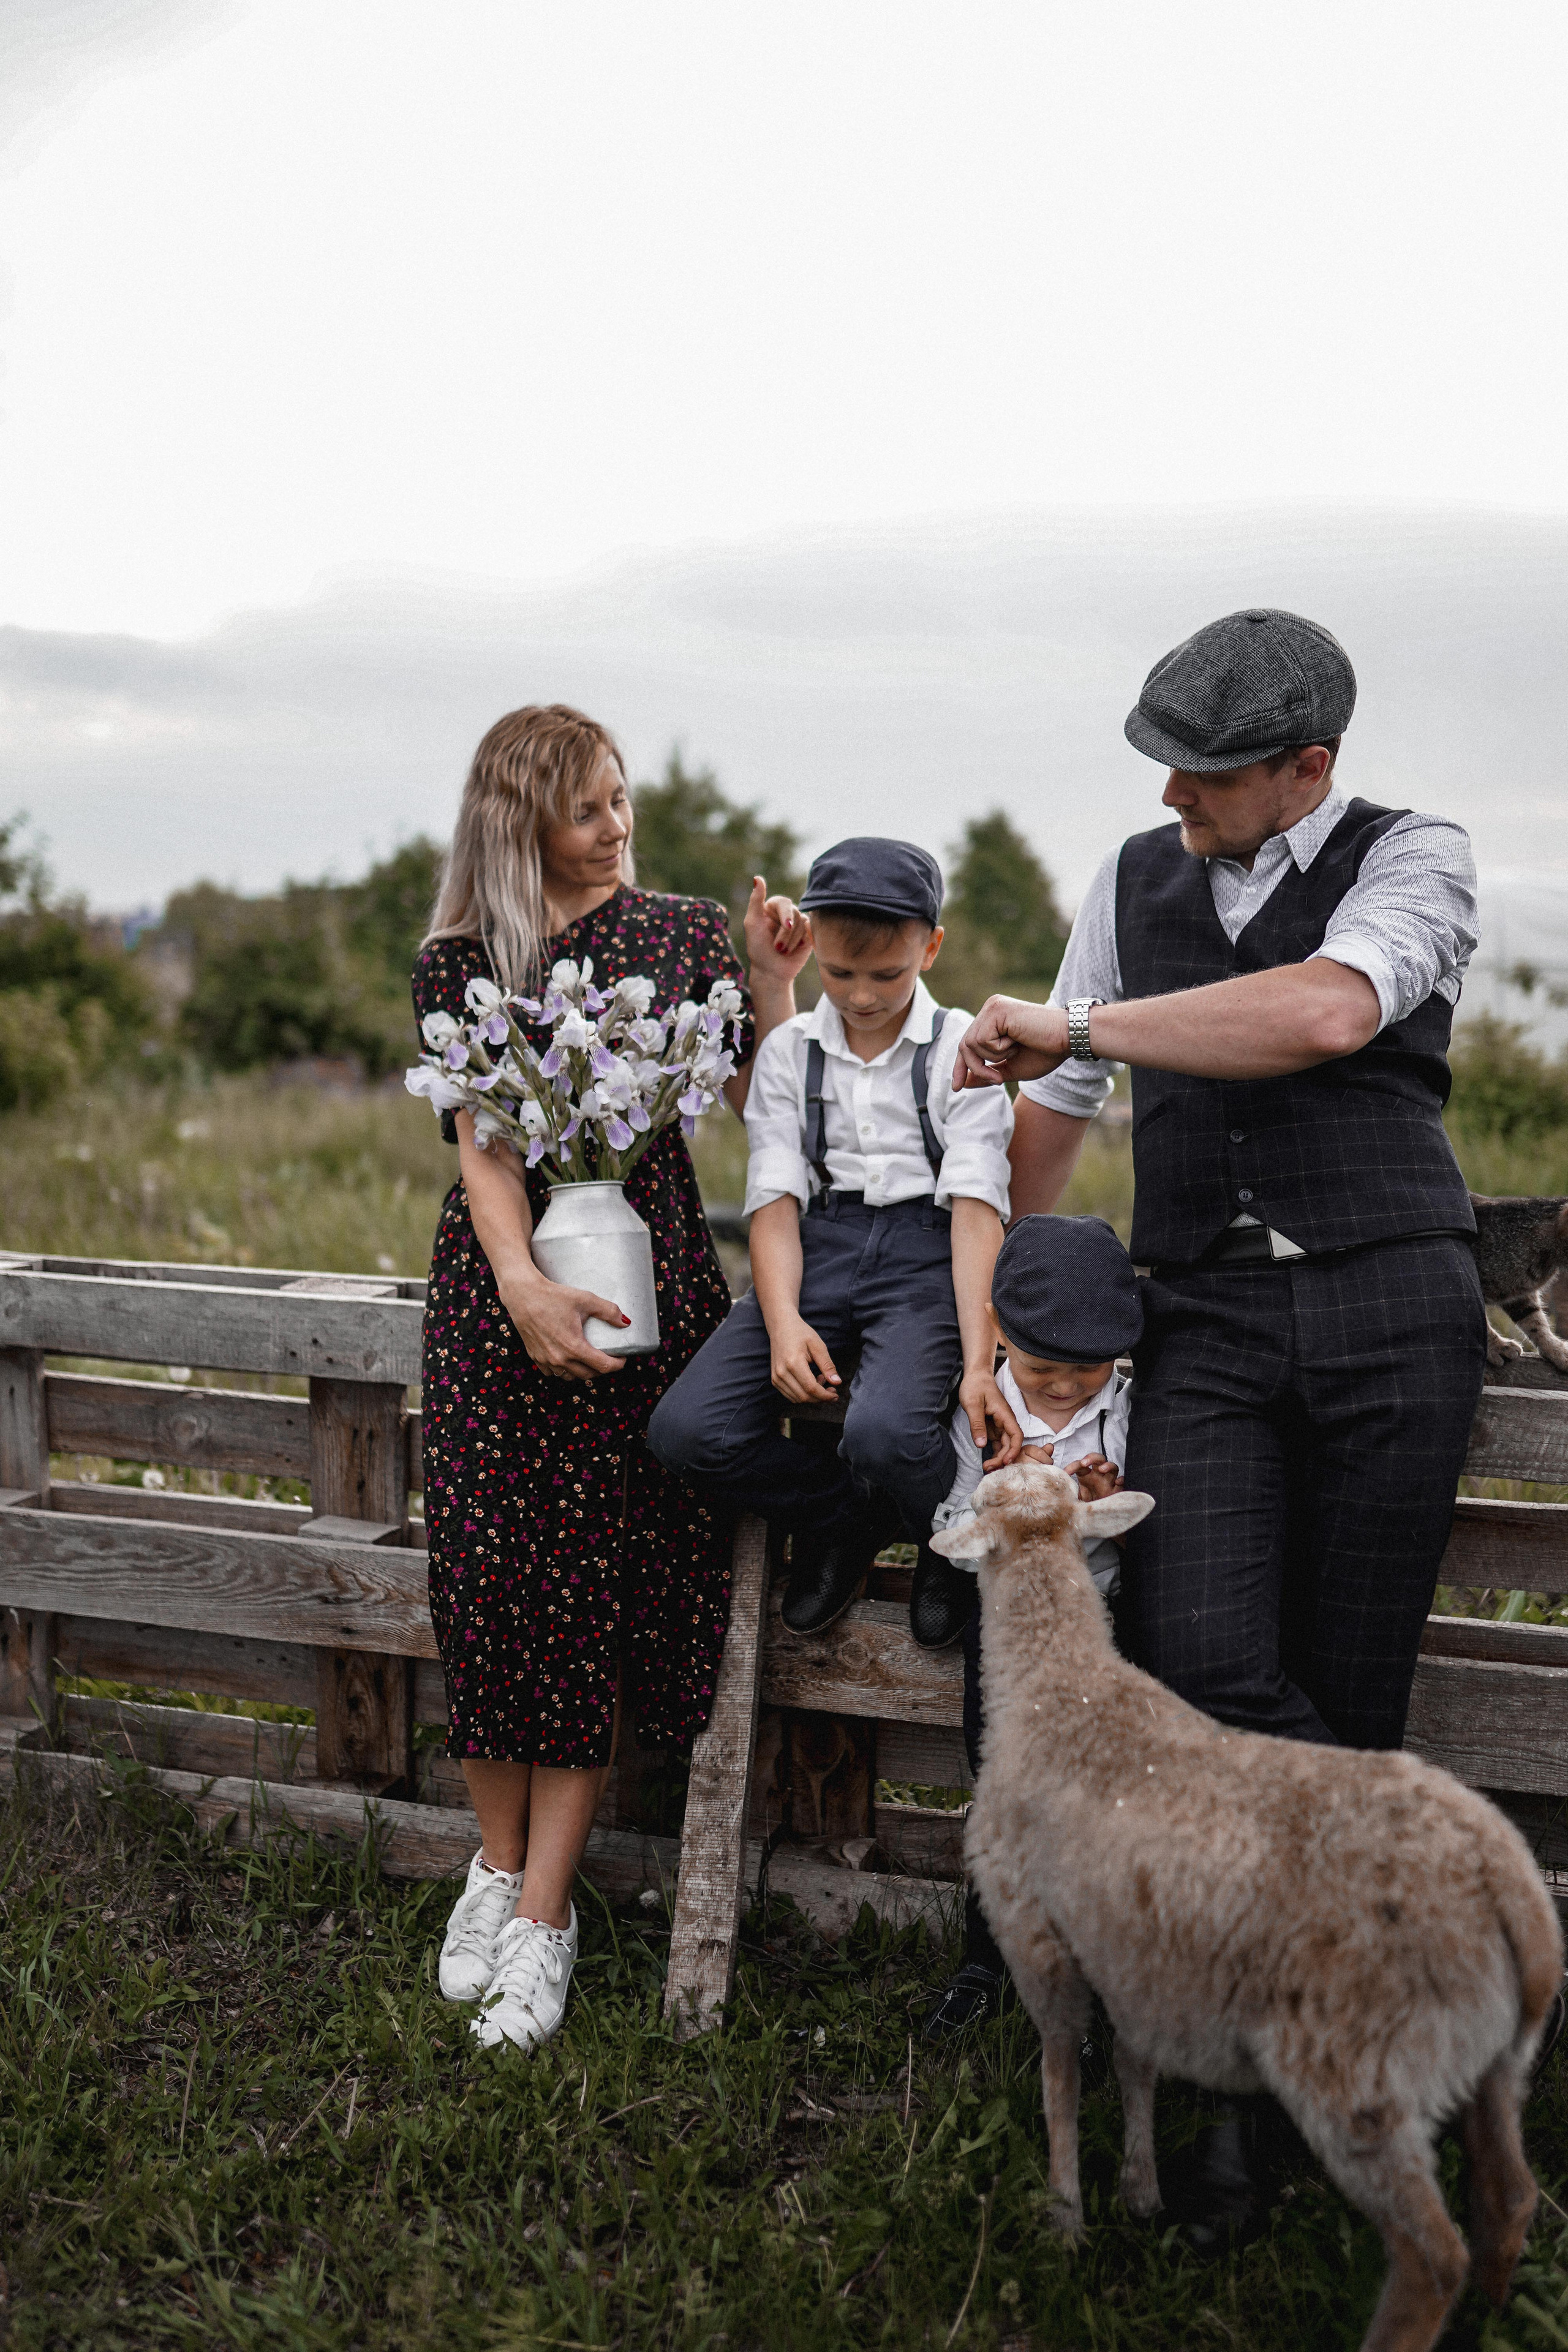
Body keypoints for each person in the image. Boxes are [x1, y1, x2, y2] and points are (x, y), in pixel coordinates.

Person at [953, 607, 1488, 2235]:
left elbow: (1327, 1015)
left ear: (1306, 769)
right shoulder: (1129, 885)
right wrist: (988, 1298)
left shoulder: (1420, 859)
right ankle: (1433, 1938)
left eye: (1203, 777)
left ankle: (1272, 2109)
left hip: (1396, 1307)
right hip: (1210, 1323)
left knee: (1349, 1677)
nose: (1173, 804)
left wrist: (1083, 1033)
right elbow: (1048, 1109)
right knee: (1200, 1651)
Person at [412, 703, 809, 2052]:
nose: (616, 826)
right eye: (588, 809)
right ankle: (489, 1864)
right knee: (480, 1580)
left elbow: (772, 1106)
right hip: (494, 1293)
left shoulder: (684, 932)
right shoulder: (458, 957)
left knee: (582, 1589)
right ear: (519, 819)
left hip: (640, 1286)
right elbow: (482, 1145)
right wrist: (519, 1284)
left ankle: (542, 1917)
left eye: (621, 799)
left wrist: (766, 987)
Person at [649, 837, 1017, 1650]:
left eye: (886, 975)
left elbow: (978, 1210)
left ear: (932, 945)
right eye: (839, 973)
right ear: (812, 943)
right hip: (822, 1244)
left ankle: (948, 1541)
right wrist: (781, 1320)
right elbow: (775, 1198)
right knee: (686, 1432)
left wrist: (979, 1363)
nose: (860, 995)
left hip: (930, 1245)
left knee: (886, 1431)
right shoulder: (789, 1052)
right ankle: (848, 1517)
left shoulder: (963, 1049)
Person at [922, 1213, 1143, 2036]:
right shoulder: (982, 1413)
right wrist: (1012, 1493)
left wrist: (1095, 1494)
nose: (1062, 1388)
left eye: (1086, 1369)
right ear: (1002, 1339)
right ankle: (986, 1959)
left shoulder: (1123, 1405)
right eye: (1042, 1366)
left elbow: (1142, 1515)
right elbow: (950, 1529)